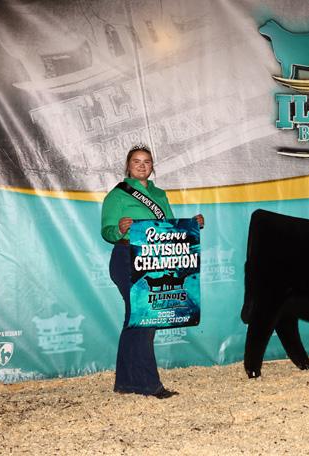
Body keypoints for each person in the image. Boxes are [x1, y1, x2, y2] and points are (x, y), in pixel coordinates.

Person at [101, 144, 204, 398]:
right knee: (144, 319)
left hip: (154, 260)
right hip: (127, 259)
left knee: (136, 321)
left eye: (146, 161)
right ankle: (149, 384)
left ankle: (126, 382)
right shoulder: (117, 195)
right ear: (128, 166)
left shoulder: (159, 194)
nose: (142, 165)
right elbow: (107, 231)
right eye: (136, 161)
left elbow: (170, 228)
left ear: (152, 166)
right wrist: (120, 229)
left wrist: (192, 225)